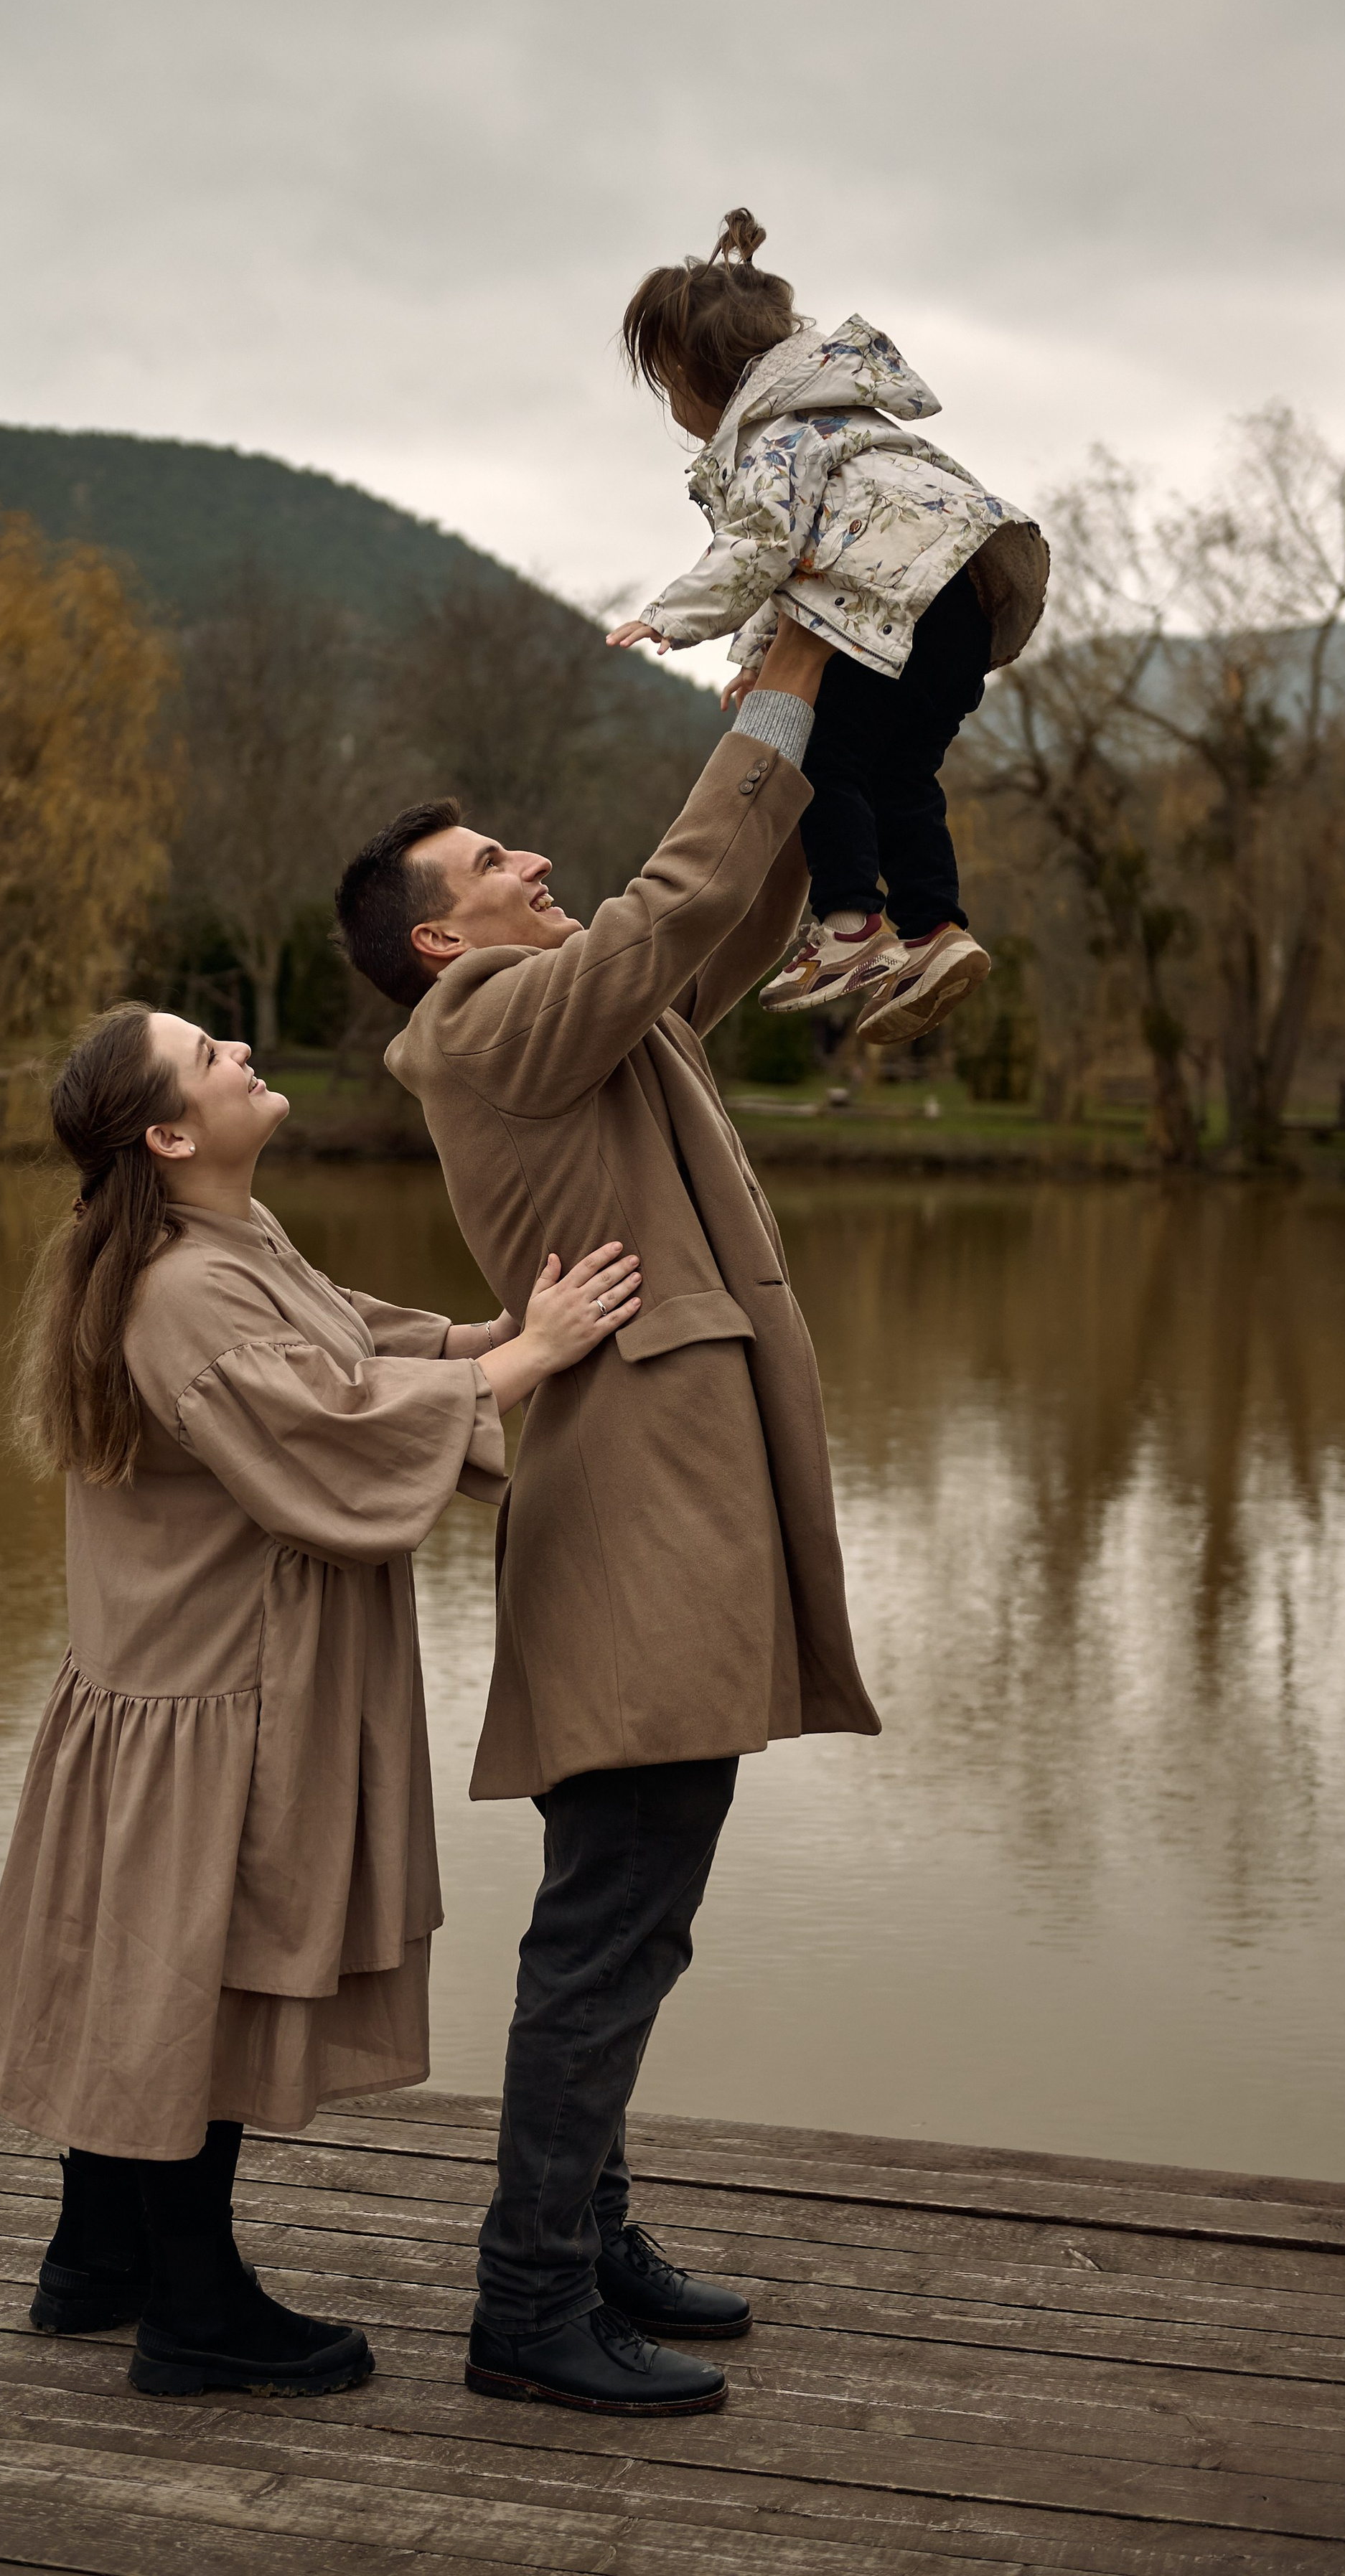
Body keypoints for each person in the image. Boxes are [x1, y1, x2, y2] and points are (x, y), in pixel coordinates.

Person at [333, 615, 882, 2419]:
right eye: (494, 861)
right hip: (632, 1517)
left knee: (629, 1905)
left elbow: (712, 923)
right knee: (613, 1915)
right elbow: (660, 906)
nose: (533, 860)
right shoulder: (482, 1028)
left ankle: (589, 2233)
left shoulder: (576, 1029)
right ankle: (528, 2297)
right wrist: (780, 691)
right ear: (438, 938)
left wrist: (797, 751)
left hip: (658, 1504)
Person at [0, 1000, 639, 2401]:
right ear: (168, 1133)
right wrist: (529, 1361)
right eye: (212, 1056)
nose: (240, 1056)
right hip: (205, 1698)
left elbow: (347, 1349)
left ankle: (94, 2259)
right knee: (186, 1995)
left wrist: (489, 1334)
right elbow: (328, 1435)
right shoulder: (180, 1288)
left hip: (180, 1686)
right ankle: (193, 2311)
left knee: (147, 1970)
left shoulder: (224, 1243)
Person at [607, 205, 1049, 1046]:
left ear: (707, 374)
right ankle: (932, 932)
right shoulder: (845, 419)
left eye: (669, 387)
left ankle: (847, 923)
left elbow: (766, 546)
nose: (673, 408)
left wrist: (672, 617)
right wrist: (758, 652)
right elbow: (812, 558)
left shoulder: (774, 436)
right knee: (903, 775)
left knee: (820, 757)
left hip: (889, 608)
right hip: (961, 606)